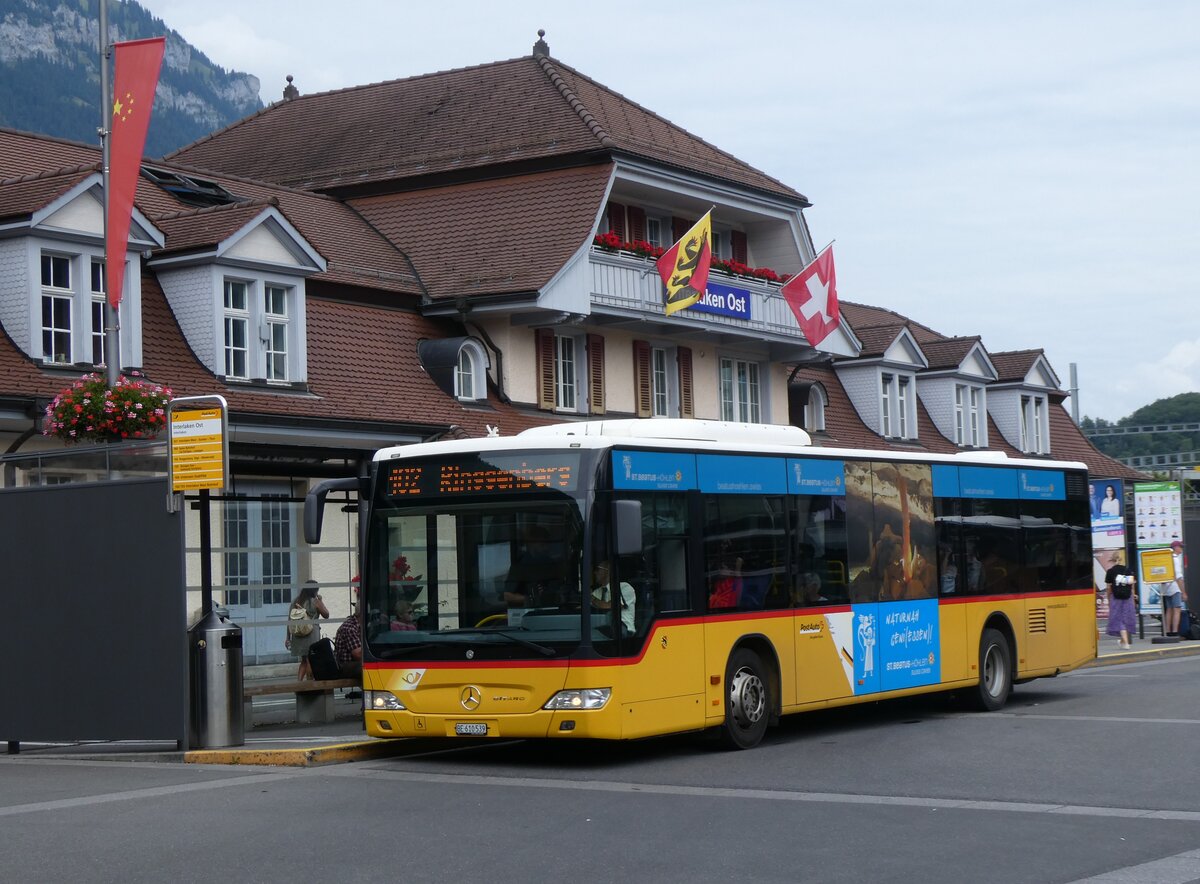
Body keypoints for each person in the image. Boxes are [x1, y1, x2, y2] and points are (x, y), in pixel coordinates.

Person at [285, 580, 329, 680]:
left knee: (304, 661)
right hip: (311, 634)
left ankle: (299, 683)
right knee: (311, 660)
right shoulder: (315, 601)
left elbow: (289, 620)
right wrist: (320, 601)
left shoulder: (296, 601)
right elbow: (326, 614)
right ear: (314, 590)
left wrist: (288, 637)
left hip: (298, 634)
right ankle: (310, 683)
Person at [591, 559, 635, 635]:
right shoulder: (596, 592)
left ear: (607, 571)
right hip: (602, 630)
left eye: (597, 569)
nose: (595, 572)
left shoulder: (625, 587)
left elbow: (609, 606)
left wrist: (591, 598)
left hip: (624, 633)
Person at [334, 579, 364, 678]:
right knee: (370, 668)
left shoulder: (357, 624)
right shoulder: (349, 628)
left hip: (352, 664)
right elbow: (358, 654)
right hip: (346, 666)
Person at [1104, 560, 1137, 649]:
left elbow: (1109, 588)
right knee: (1125, 618)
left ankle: (1125, 643)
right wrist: (1133, 599)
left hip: (1116, 598)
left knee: (1119, 619)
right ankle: (1122, 641)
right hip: (1128, 598)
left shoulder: (1110, 571)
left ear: (1112, 561)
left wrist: (1108, 599)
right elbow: (1132, 587)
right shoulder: (1128, 570)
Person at [1163, 540, 1185, 636]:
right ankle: (1175, 631)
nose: (1181, 549)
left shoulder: (1167, 558)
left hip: (1166, 588)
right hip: (1175, 588)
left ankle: (1168, 630)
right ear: (1176, 548)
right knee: (1177, 609)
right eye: (1180, 547)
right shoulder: (1175, 559)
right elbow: (1179, 577)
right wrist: (1183, 592)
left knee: (1169, 609)